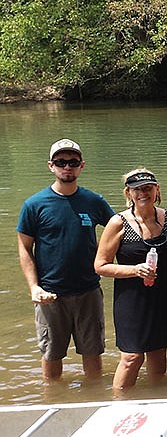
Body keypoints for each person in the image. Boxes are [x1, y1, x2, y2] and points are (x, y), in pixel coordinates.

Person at [17, 139, 115, 380]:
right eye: (61, 162)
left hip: (88, 291)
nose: (67, 167)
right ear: (51, 166)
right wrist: (34, 287)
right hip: (50, 295)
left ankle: (94, 399)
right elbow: (24, 248)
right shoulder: (34, 205)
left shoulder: (94, 201)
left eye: (72, 162)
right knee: (51, 355)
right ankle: (53, 401)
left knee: (93, 354)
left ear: (82, 166)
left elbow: (119, 229)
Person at [94, 169, 167, 389]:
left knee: (158, 352)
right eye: (137, 190)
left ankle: (157, 400)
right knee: (131, 358)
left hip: (165, 295)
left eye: (148, 188)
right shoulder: (118, 223)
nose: (143, 193)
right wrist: (135, 270)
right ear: (128, 193)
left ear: (157, 189)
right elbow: (100, 266)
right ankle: (118, 406)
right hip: (132, 300)